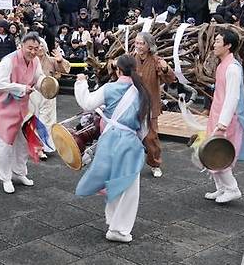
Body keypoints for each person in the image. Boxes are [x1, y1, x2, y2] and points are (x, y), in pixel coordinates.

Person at [73, 55, 149, 243]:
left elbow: (87, 103)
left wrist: (81, 83)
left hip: (109, 140)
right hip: (130, 141)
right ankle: (119, 229)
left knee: (113, 179)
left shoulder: (109, 88)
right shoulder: (142, 92)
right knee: (129, 186)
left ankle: (113, 222)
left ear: (118, 70)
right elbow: (145, 126)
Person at [0, 33, 46, 194]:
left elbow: (38, 78)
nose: (32, 51)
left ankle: (19, 172)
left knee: (23, 142)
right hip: (3, 107)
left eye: (36, 49)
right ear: (21, 45)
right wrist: (21, 88)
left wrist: (44, 82)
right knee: (5, 144)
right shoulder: (9, 60)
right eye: (30, 48)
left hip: (23, 107)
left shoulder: (35, 61)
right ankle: (5, 177)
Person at [205, 31, 244, 203]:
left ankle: (232, 189)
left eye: (217, 41)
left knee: (220, 153)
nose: (214, 44)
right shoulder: (223, 64)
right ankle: (221, 188)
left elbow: (233, 96)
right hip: (217, 114)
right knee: (211, 151)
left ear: (228, 45)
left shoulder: (232, 67)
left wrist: (223, 122)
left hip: (227, 119)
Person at [133, 32, 175, 178]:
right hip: (133, 104)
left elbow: (170, 78)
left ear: (149, 46)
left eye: (141, 43)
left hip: (151, 105)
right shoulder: (131, 58)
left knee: (151, 137)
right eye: (137, 43)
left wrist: (165, 69)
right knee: (131, 135)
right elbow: (118, 70)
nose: (138, 46)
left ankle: (155, 163)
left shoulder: (157, 60)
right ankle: (132, 164)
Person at [29, 37, 71, 159]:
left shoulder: (52, 60)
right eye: (38, 46)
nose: (40, 48)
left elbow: (66, 69)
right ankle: (36, 147)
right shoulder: (31, 61)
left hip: (49, 94)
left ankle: (44, 147)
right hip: (33, 94)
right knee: (33, 121)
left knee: (46, 121)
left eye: (42, 46)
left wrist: (60, 60)